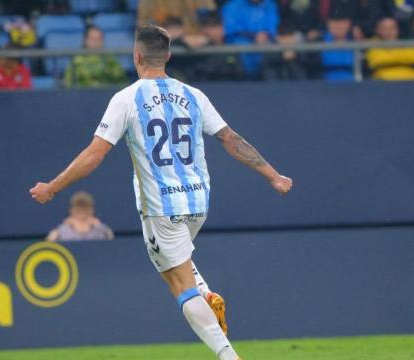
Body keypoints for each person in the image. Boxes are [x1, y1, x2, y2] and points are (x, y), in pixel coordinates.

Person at [30, 24, 293, 360]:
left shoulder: (126, 99)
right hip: (199, 202)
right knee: (182, 262)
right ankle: (206, 293)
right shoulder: (194, 95)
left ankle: (228, 354)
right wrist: (273, 175)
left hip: (161, 209)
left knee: (177, 284)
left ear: (136, 56)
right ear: (167, 55)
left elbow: (94, 155)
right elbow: (231, 139)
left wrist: (53, 187)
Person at [222, 0, 281, 77]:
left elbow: (272, 27)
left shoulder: (270, 5)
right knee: (240, 47)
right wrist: (254, 36)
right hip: (239, 43)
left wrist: (264, 36)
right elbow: (230, 28)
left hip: (264, 42)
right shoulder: (232, 6)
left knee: (273, 48)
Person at [46, 191, 114, 242]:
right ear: (71, 210)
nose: (82, 212)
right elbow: (48, 246)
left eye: (85, 209)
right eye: (78, 209)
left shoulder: (102, 230)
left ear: (92, 210)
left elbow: (112, 243)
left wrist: (99, 226)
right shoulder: (60, 231)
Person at [319, 10, 356, 81]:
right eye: (335, 22)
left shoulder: (357, 43)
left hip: (353, 88)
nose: (338, 26)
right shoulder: (318, 43)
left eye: (342, 22)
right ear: (328, 24)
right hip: (325, 88)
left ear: (348, 24)